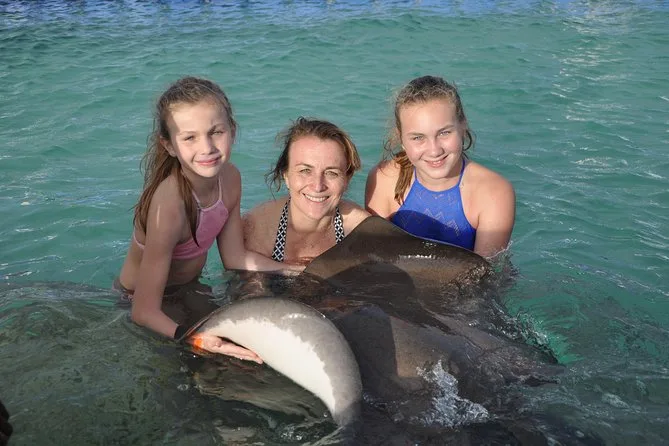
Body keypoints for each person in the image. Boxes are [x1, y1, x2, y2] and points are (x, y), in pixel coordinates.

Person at [116, 76, 302, 363]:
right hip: (139, 301)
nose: (207, 148)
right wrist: (196, 339)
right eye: (189, 137)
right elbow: (143, 311)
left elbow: (234, 257)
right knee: (212, 360)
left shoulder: (230, 179)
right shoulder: (170, 206)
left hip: (190, 287)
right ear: (168, 145)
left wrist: (292, 270)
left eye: (216, 132)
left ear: (233, 131)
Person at [365, 75, 515, 258]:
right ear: (401, 138)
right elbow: (374, 256)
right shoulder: (384, 178)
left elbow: (486, 272)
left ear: (463, 126)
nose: (434, 150)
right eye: (418, 137)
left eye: (444, 133)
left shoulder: (493, 192)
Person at [243, 117, 370, 266]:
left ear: (347, 179)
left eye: (331, 173)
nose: (318, 186)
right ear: (286, 175)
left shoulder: (362, 232)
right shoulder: (256, 229)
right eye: (305, 170)